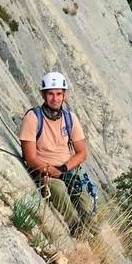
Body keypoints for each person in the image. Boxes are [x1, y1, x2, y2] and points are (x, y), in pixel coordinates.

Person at [19, 71, 95, 232]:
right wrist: (53, 171)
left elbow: (82, 153)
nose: (55, 98)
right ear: (43, 95)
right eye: (51, 94)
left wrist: (64, 169)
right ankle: (76, 228)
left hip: (66, 168)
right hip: (42, 171)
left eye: (59, 94)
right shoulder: (33, 118)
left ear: (64, 95)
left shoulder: (70, 119)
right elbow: (30, 158)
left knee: (87, 203)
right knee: (58, 189)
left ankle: (90, 230)